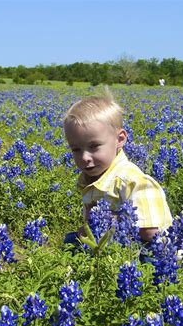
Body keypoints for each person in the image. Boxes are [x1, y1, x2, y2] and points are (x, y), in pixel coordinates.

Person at [63, 93, 172, 245]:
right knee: (71, 240)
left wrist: (106, 220)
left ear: (120, 139)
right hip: (109, 245)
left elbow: (151, 232)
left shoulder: (133, 181)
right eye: (76, 149)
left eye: (94, 146)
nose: (84, 157)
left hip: (148, 249)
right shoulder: (93, 177)